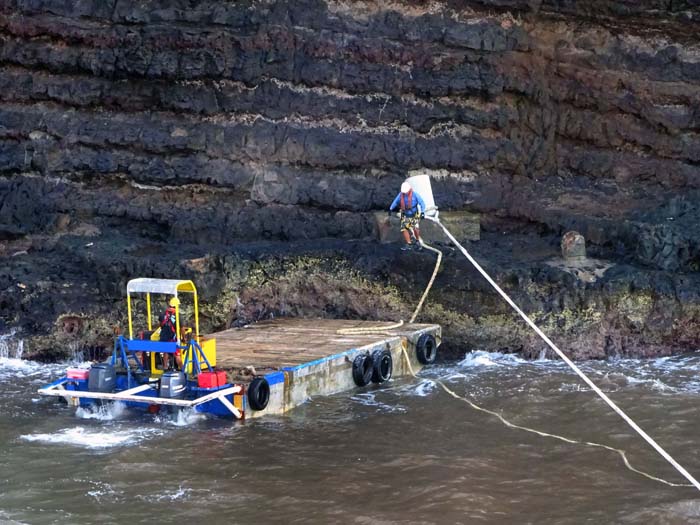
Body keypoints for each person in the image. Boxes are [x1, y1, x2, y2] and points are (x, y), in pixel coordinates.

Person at [388, 181, 426, 250]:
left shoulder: (415, 195)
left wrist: (422, 212)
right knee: (404, 229)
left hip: (414, 213)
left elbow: (422, 203)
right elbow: (396, 201)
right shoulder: (401, 195)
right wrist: (390, 208)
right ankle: (409, 243)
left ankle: (417, 241)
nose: (405, 193)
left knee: (415, 228)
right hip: (405, 214)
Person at [159, 297, 181, 370]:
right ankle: (182, 368)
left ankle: (165, 367)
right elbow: (182, 328)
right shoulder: (177, 315)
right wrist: (183, 337)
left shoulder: (163, 314)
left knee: (166, 352)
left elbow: (160, 325)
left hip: (163, 338)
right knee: (177, 354)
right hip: (172, 338)